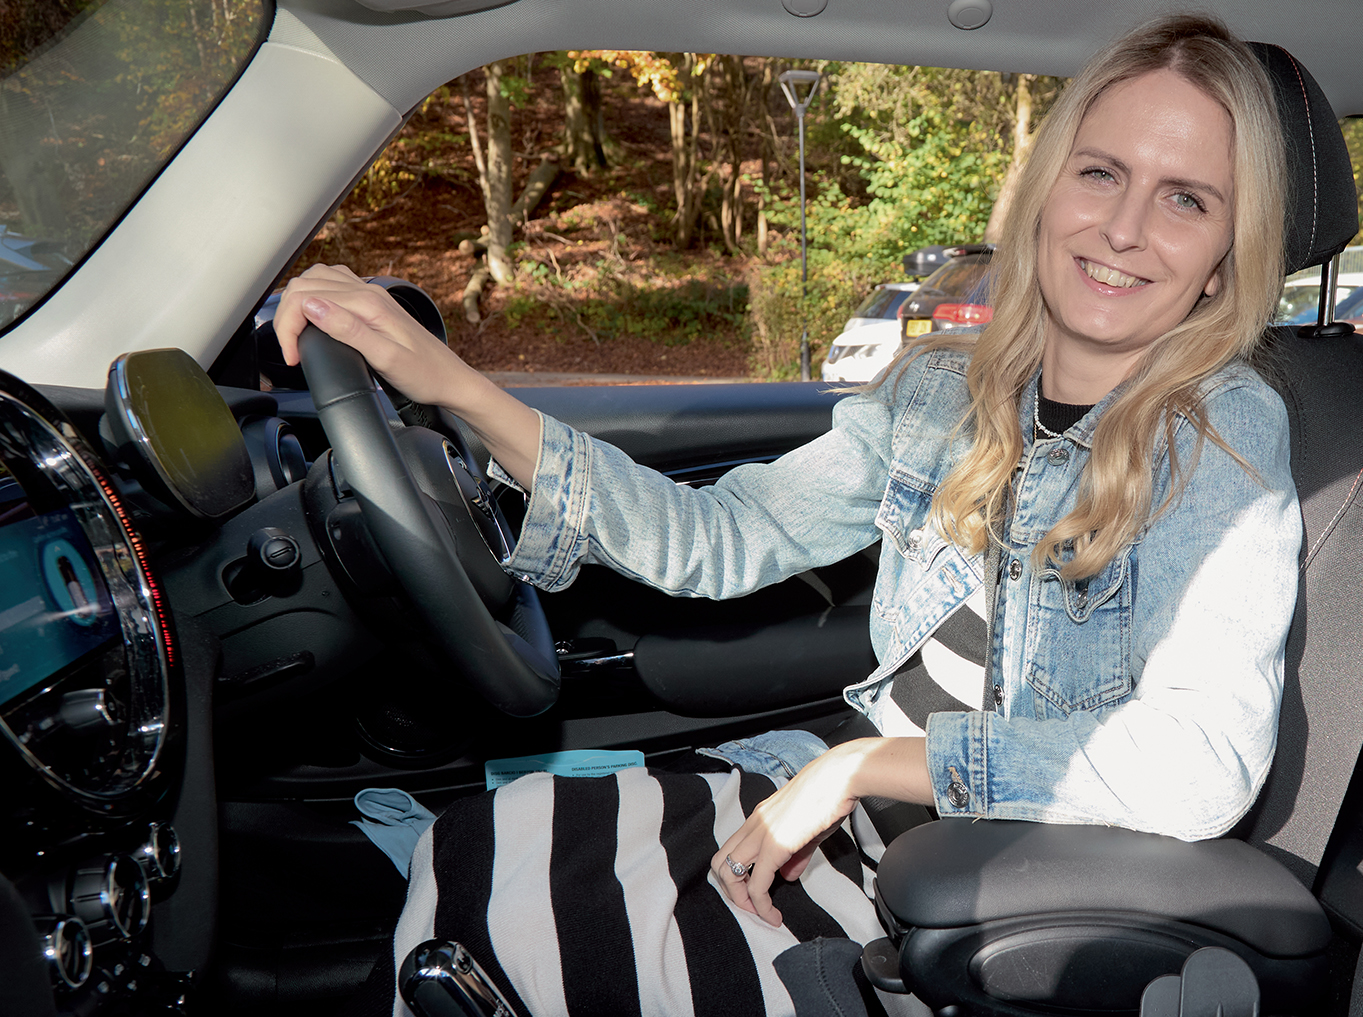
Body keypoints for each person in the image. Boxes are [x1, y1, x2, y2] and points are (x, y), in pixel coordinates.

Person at [276, 12, 1301, 1015]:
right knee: (474, 842)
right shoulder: (940, 394)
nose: (1123, 229)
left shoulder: (1221, 432)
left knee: (506, 944)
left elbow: (1200, 763)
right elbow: (715, 538)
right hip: (837, 805)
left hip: (971, 891)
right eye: (1101, 172)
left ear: (1225, 255)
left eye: (1184, 199)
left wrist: (865, 764)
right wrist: (453, 386)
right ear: (1045, 189)